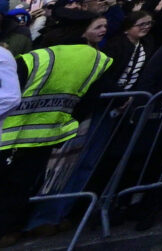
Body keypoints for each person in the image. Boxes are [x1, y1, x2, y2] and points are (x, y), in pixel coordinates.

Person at [0, 17, 112, 237]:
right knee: (23, 186)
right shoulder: (97, 60)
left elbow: (12, 94)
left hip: (9, 132)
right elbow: (88, 100)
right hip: (49, 132)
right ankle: (8, 231)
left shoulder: (35, 58)